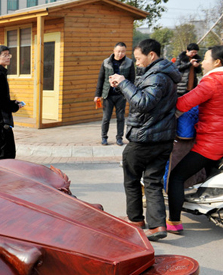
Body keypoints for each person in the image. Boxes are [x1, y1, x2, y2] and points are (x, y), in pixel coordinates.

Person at [109, 39, 181, 241]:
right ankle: (157, 225)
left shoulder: (158, 76)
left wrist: (124, 82)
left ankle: (136, 220)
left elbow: (143, 103)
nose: (137, 62)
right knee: (152, 181)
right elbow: (142, 96)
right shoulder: (162, 74)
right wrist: (123, 85)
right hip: (162, 138)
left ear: (152, 55)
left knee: (132, 179)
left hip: (144, 138)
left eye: (139, 58)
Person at [167, 45, 223, 234]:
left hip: (211, 143)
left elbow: (184, 103)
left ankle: (173, 222)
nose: (202, 61)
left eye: (206, 58)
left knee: (177, 177)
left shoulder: (212, 82)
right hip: (218, 142)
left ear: (217, 62)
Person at [0, 45, 24, 160]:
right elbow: (1, 102)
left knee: (0, 154)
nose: (8, 57)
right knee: (6, 155)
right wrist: (15, 106)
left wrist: (12, 102)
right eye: (4, 55)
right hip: (0, 122)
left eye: (8, 55)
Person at [94, 42, 135, 146]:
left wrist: (131, 95)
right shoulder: (106, 62)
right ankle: (104, 137)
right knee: (106, 118)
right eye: (118, 51)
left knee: (120, 117)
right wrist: (97, 94)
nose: (120, 53)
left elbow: (132, 80)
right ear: (114, 51)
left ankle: (119, 138)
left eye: (123, 51)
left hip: (121, 95)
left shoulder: (129, 63)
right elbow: (101, 79)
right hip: (108, 95)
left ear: (125, 52)